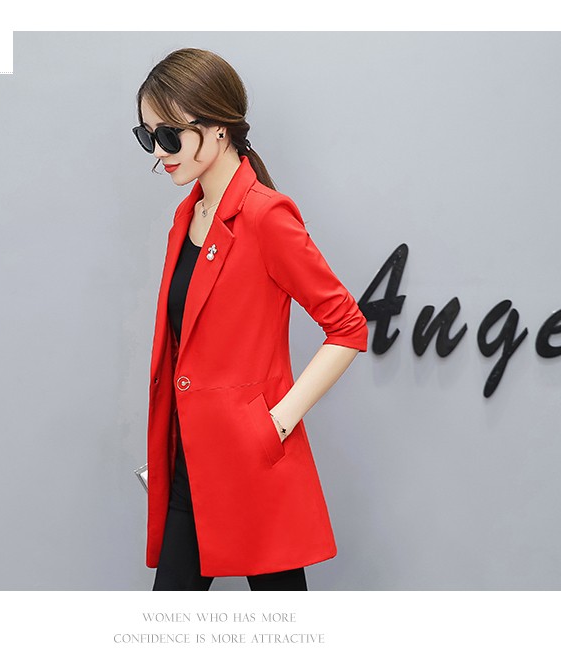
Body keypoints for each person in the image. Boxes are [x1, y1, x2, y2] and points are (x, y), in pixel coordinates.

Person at [133, 48, 369, 591]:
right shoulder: (187, 215)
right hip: (190, 463)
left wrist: (275, 423)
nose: (159, 152)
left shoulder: (265, 215)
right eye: (147, 137)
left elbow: (347, 326)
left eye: (169, 135)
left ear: (218, 128)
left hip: (250, 459)